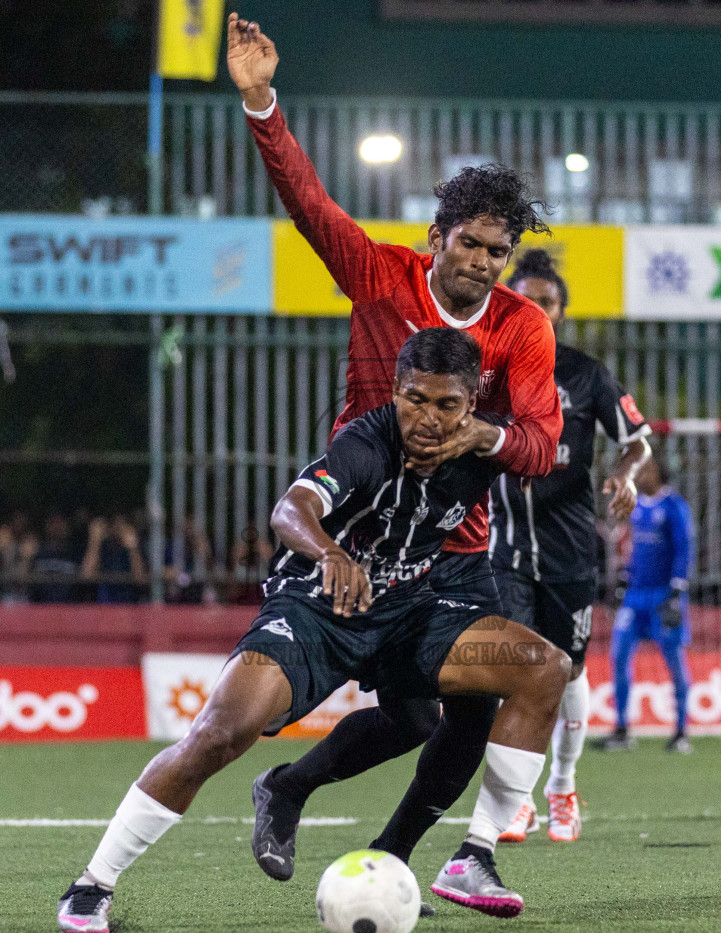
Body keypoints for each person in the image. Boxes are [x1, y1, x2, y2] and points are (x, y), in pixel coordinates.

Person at [56, 331, 569, 933]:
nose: (426, 419)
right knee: (222, 730)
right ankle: (93, 884)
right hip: (319, 606)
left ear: (470, 406)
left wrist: (506, 440)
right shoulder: (364, 443)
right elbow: (289, 510)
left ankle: (475, 853)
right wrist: (328, 553)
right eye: (413, 399)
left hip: (413, 611)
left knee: (541, 669)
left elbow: (543, 449)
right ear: (396, 390)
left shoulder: (486, 447)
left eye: (446, 405)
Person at [227, 13, 564, 883]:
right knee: (413, 719)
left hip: (454, 543)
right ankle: (289, 788)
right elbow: (310, 204)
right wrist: (263, 103)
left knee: (471, 707)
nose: (487, 262)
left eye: (500, 250)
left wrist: (479, 430)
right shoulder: (380, 275)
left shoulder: (524, 329)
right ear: (436, 238)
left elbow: (536, 448)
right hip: (363, 523)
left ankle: (408, 859)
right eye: (472, 244)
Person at [489, 250, 650, 844]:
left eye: (547, 302)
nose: (536, 310)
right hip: (501, 549)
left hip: (569, 548)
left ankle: (563, 785)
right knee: (515, 672)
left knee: (571, 667)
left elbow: (637, 441)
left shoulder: (585, 374)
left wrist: (626, 473)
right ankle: (519, 799)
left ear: (561, 312)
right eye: (525, 299)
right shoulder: (488, 370)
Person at [603, 455, 696, 753]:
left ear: (658, 471)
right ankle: (621, 729)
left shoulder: (674, 507)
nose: (641, 474)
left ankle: (681, 731)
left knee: (674, 661)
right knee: (618, 656)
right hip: (635, 596)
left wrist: (677, 591)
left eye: (645, 468)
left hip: (664, 596)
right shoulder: (636, 506)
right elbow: (630, 548)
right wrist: (622, 581)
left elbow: (684, 549)